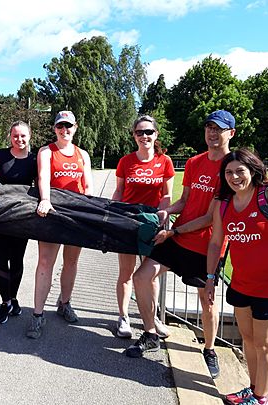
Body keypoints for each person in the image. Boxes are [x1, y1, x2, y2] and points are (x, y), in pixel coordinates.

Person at [126, 110, 236, 379]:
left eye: (219, 129)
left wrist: (173, 231)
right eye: (209, 127)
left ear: (230, 133)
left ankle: (209, 350)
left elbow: (211, 217)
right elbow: (185, 200)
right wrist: (167, 211)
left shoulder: (231, 168)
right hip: (178, 237)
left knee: (207, 301)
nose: (212, 132)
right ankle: (150, 334)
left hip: (206, 245)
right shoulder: (194, 162)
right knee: (141, 276)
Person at [206, 148, 268, 405]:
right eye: (228, 172)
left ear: (253, 170)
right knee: (247, 340)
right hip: (242, 284)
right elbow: (216, 243)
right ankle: (252, 388)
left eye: (240, 171)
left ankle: (261, 398)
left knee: (264, 345)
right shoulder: (224, 203)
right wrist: (209, 277)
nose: (234, 176)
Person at [26, 110, 93, 339]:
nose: (64, 131)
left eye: (69, 126)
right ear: (55, 129)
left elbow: (88, 185)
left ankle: (65, 303)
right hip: (53, 211)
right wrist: (45, 199)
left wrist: (89, 209)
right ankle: (37, 314)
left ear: (75, 128)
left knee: (71, 262)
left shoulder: (82, 154)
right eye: (60, 127)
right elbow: (43, 176)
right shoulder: (46, 152)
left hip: (75, 213)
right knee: (45, 262)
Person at [111, 115, 174, 339]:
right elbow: (119, 191)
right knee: (126, 273)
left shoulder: (164, 161)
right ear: (134, 136)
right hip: (128, 221)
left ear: (156, 134)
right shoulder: (126, 161)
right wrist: (113, 211)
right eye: (140, 132)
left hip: (152, 223)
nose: (144, 136)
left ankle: (152, 317)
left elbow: (167, 194)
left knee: (150, 276)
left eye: (148, 132)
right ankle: (124, 317)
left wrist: (162, 216)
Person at [0, 121, 38, 324]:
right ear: (10, 136)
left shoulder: (34, 160)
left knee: (16, 260)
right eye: (15, 136)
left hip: (20, 218)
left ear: (29, 136)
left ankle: (13, 297)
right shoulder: (0, 155)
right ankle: (5, 302)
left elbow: (40, 185)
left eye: (23, 136)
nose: (19, 139)